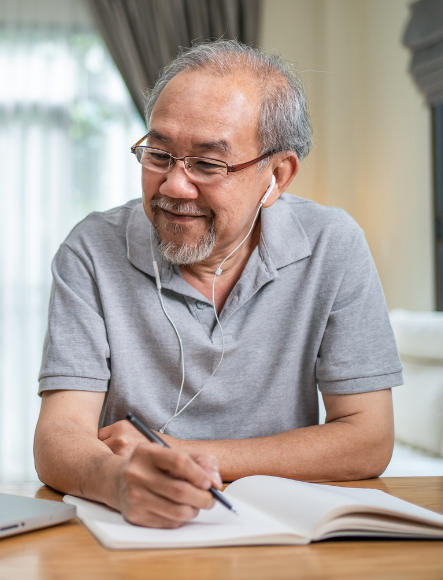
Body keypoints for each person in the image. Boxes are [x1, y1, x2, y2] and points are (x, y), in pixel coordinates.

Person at [32, 40, 403, 529]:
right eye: (159, 154)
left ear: (277, 175)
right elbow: (59, 435)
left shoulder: (333, 244)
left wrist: (178, 454)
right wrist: (117, 480)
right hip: (133, 527)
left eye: (207, 165)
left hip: (280, 528)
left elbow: (368, 439)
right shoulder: (91, 248)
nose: (173, 187)